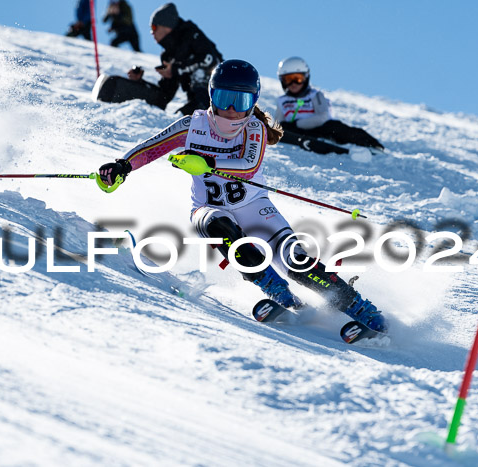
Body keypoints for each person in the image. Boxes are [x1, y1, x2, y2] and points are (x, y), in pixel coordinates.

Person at [97, 59, 387, 332]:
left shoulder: (254, 128)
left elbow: (249, 166)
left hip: (255, 207)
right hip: (208, 208)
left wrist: (208, 164)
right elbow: (151, 147)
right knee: (218, 226)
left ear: (254, 102)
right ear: (212, 96)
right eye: (225, 99)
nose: (233, 109)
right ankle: (280, 294)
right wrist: (121, 166)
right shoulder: (193, 125)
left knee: (298, 264)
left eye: (243, 101)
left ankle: (361, 309)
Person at [275, 56, 384, 153]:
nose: (293, 84)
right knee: (283, 128)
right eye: (288, 80)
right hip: (298, 133)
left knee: (334, 127)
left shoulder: (315, 95)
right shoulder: (282, 101)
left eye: (298, 79)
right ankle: (305, 140)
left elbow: (323, 117)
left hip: (320, 128)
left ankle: (371, 144)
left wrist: (298, 124)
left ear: (306, 77)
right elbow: (277, 123)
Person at [148, 3, 223, 115]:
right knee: (179, 118)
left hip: (219, 96)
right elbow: (166, 94)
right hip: (195, 101)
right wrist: (139, 83)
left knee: (200, 72)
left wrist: (175, 69)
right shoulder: (167, 55)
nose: (152, 32)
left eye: (154, 27)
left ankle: (206, 110)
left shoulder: (191, 34)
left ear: (166, 26)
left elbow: (208, 59)